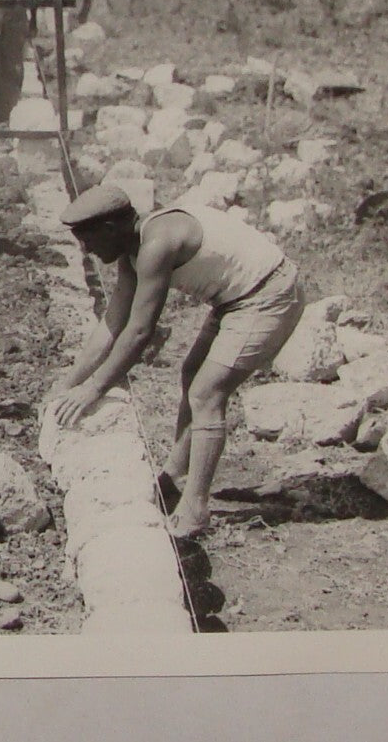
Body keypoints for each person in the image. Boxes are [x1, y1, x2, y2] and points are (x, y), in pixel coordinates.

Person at [47, 184, 305, 539]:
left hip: (269, 295)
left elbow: (139, 334)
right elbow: (112, 325)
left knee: (206, 394)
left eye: (87, 240)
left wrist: (94, 388)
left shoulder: (156, 246)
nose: (85, 250)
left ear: (109, 229)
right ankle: (174, 478)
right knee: (192, 374)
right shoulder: (132, 253)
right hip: (234, 299)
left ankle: (195, 510)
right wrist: (68, 385)